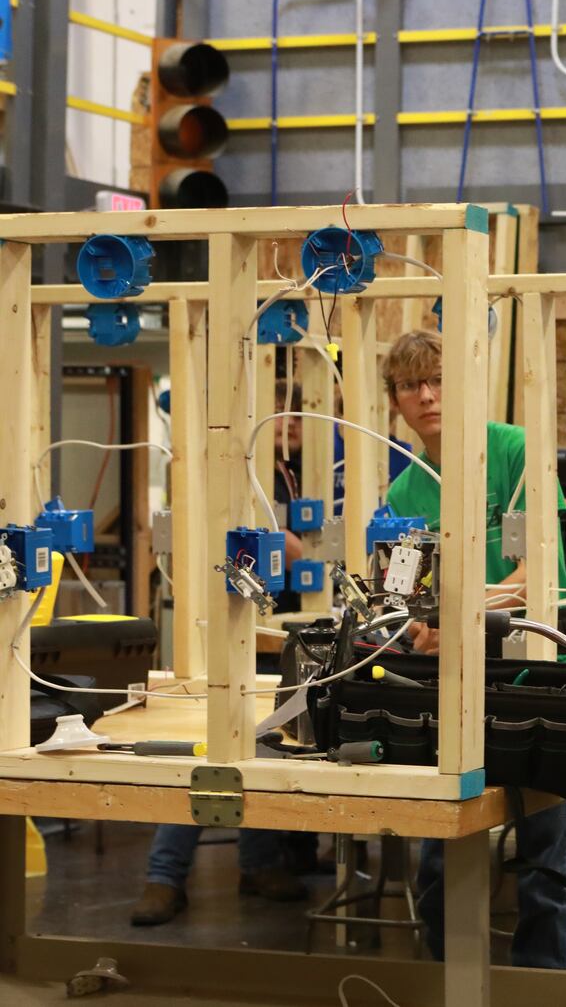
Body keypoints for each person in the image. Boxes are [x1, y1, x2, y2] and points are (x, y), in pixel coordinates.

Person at [380, 329, 566, 970]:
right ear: (396, 401)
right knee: (440, 853)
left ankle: (546, 987)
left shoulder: (517, 451)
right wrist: (413, 627)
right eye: (411, 385)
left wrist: (461, 620)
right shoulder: (403, 494)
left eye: (439, 379)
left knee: (545, 854)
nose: (428, 395)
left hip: (538, 667)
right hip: (454, 685)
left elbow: (536, 571)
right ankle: (451, 982)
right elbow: (403, 598)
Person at [131, 387, 313, 927]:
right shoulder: (225, 472)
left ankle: (257, 864)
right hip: (224, 636)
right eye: (279, 410)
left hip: (290, 639)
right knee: (207, 755)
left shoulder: (324, 468)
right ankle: (164, 877)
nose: (290, 426)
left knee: (260, 751)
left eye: (295, 414)